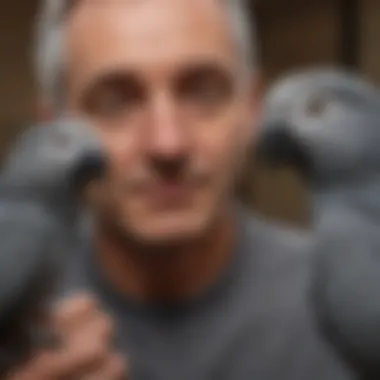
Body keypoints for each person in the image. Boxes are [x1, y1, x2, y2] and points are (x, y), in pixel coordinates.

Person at [9, 0, 357, 379]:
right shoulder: (16, 322)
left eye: (204, 93)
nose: (167, 144)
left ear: (252, 110)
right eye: (115, 102)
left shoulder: (351, 307)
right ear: (51, 128)